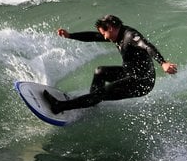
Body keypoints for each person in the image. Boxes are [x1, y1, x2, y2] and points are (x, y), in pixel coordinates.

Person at [44, 14, 178, 114]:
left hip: (141, 82)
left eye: (104, 33)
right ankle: (91, 102)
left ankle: (59, 106)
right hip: (130, 73)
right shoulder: (117, 35)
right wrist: (70, 35)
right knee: (100, 72)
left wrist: (163, 63)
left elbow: (147, 46)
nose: (104, 37)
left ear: (111, 28)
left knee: (101, 93)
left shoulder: (130, 36)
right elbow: (93, 36)